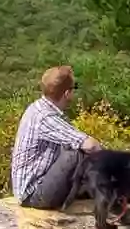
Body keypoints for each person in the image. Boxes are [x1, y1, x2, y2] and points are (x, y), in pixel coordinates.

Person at [11, 65, 103, 209]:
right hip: (34, 194)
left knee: (78, 152)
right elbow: (90, 145)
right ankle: (118, 200)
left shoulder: (39, 108)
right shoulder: (45, 116)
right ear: (67, 93)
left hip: (36, 186)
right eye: (74, 88)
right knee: (77, 154)